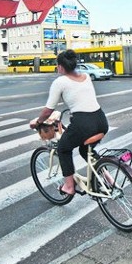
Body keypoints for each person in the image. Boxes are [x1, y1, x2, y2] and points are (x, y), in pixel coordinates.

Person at [30, 49, 109, 195]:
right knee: (85, 150)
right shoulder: (86, 76)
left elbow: (48, 110)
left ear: (60, 66)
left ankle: (69, 187)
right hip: (101, 121)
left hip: (83, 124)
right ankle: (109, 180)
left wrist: (38, 122)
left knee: (63, 149)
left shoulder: (60, 82)